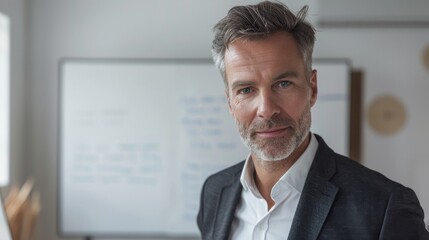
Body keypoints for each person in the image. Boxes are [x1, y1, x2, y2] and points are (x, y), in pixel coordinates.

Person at [197, 1, 429, 239]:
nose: (266, 110)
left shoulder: (385, 207)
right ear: (230, 104)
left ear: (312, 88)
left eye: (283, 84)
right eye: (246, 90)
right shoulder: (214, 193)